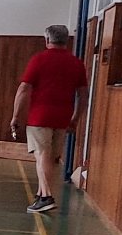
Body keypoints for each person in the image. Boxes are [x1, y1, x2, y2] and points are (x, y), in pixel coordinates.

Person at [10, 24, 88, 214]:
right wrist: (75, 118)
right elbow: (83, 95)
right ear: (66, 40)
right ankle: (40, 194)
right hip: (63, 117)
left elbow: (24, 89)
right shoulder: (76, 63)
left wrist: (15, 116)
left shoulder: (39, 60)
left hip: (40, 116)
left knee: (41, 155)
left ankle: (46, 196)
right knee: (51, 158)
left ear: (47, 40)